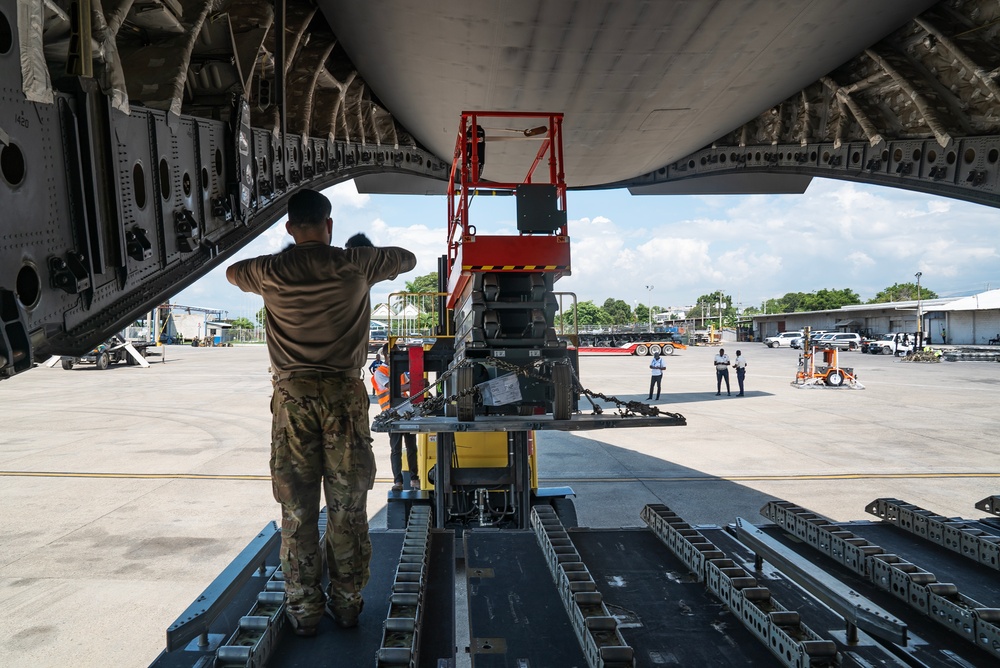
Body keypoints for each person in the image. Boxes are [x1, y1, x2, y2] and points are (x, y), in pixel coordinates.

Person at [226, 188, 416, 637]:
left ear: (290, 228)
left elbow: (233, 272)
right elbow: (406, 258)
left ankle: (304, 610)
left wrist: (283, 259)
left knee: (297, 509)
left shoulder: (269, 271)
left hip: (291, 402)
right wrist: (361, 256)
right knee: (348, 506)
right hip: (343, 400)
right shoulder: (355, 264)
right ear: (329, 225)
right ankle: (347, 605)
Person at [371, 355, 418, 491]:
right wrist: (412, 384)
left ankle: (414, 478)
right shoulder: (379, 372)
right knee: (396, 449)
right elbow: (393, 388)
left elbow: (408, 387)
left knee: (412, 448)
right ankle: (398, 481)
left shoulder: (400, 371)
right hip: (392, 415)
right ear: (387, 356)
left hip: (407, 414)